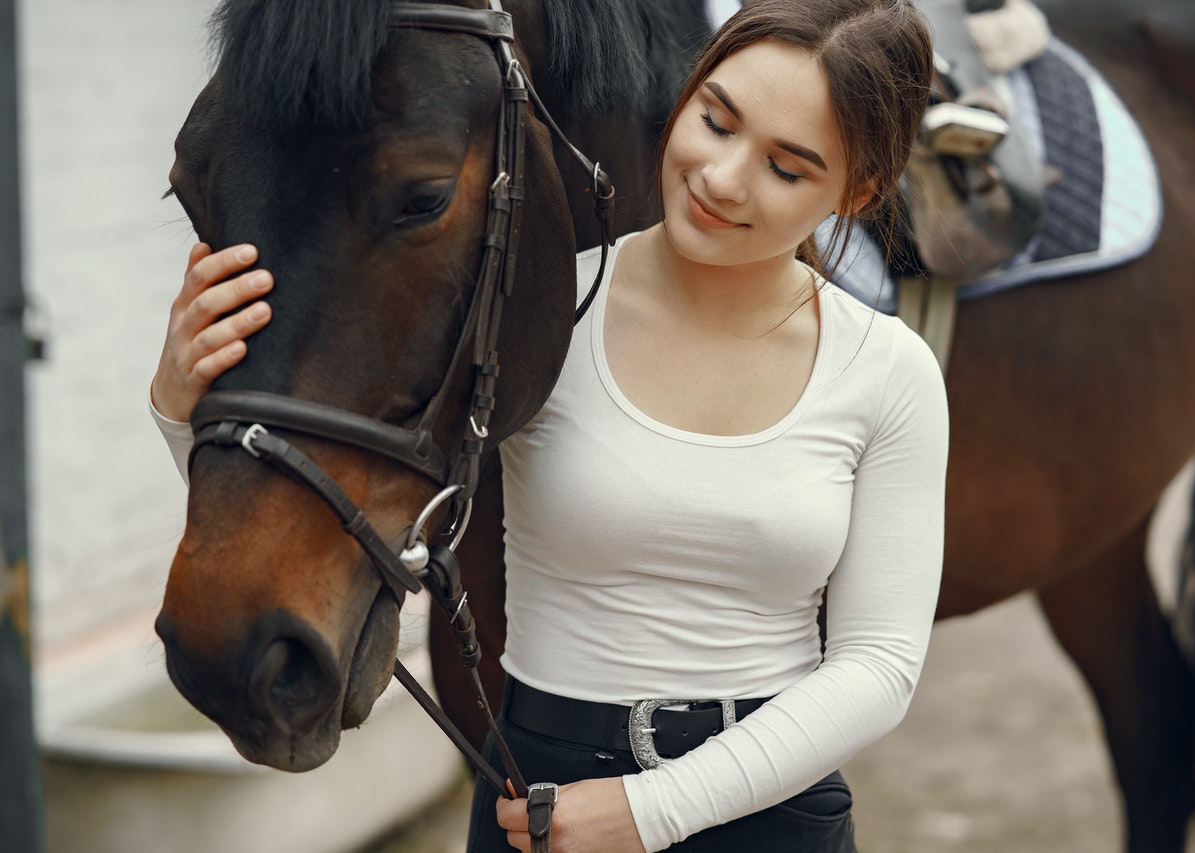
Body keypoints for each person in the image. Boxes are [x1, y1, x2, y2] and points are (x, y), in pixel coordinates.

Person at [149, 0, 946, 850]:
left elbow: (878, 667)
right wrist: (179, 404)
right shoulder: (542, 306)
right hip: (542, 806)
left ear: (856, 191)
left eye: (786, 168)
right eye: (715, 120)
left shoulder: (886, 371)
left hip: (771, 817)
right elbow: (346, 501)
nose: (720, 177)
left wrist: (651, 811)